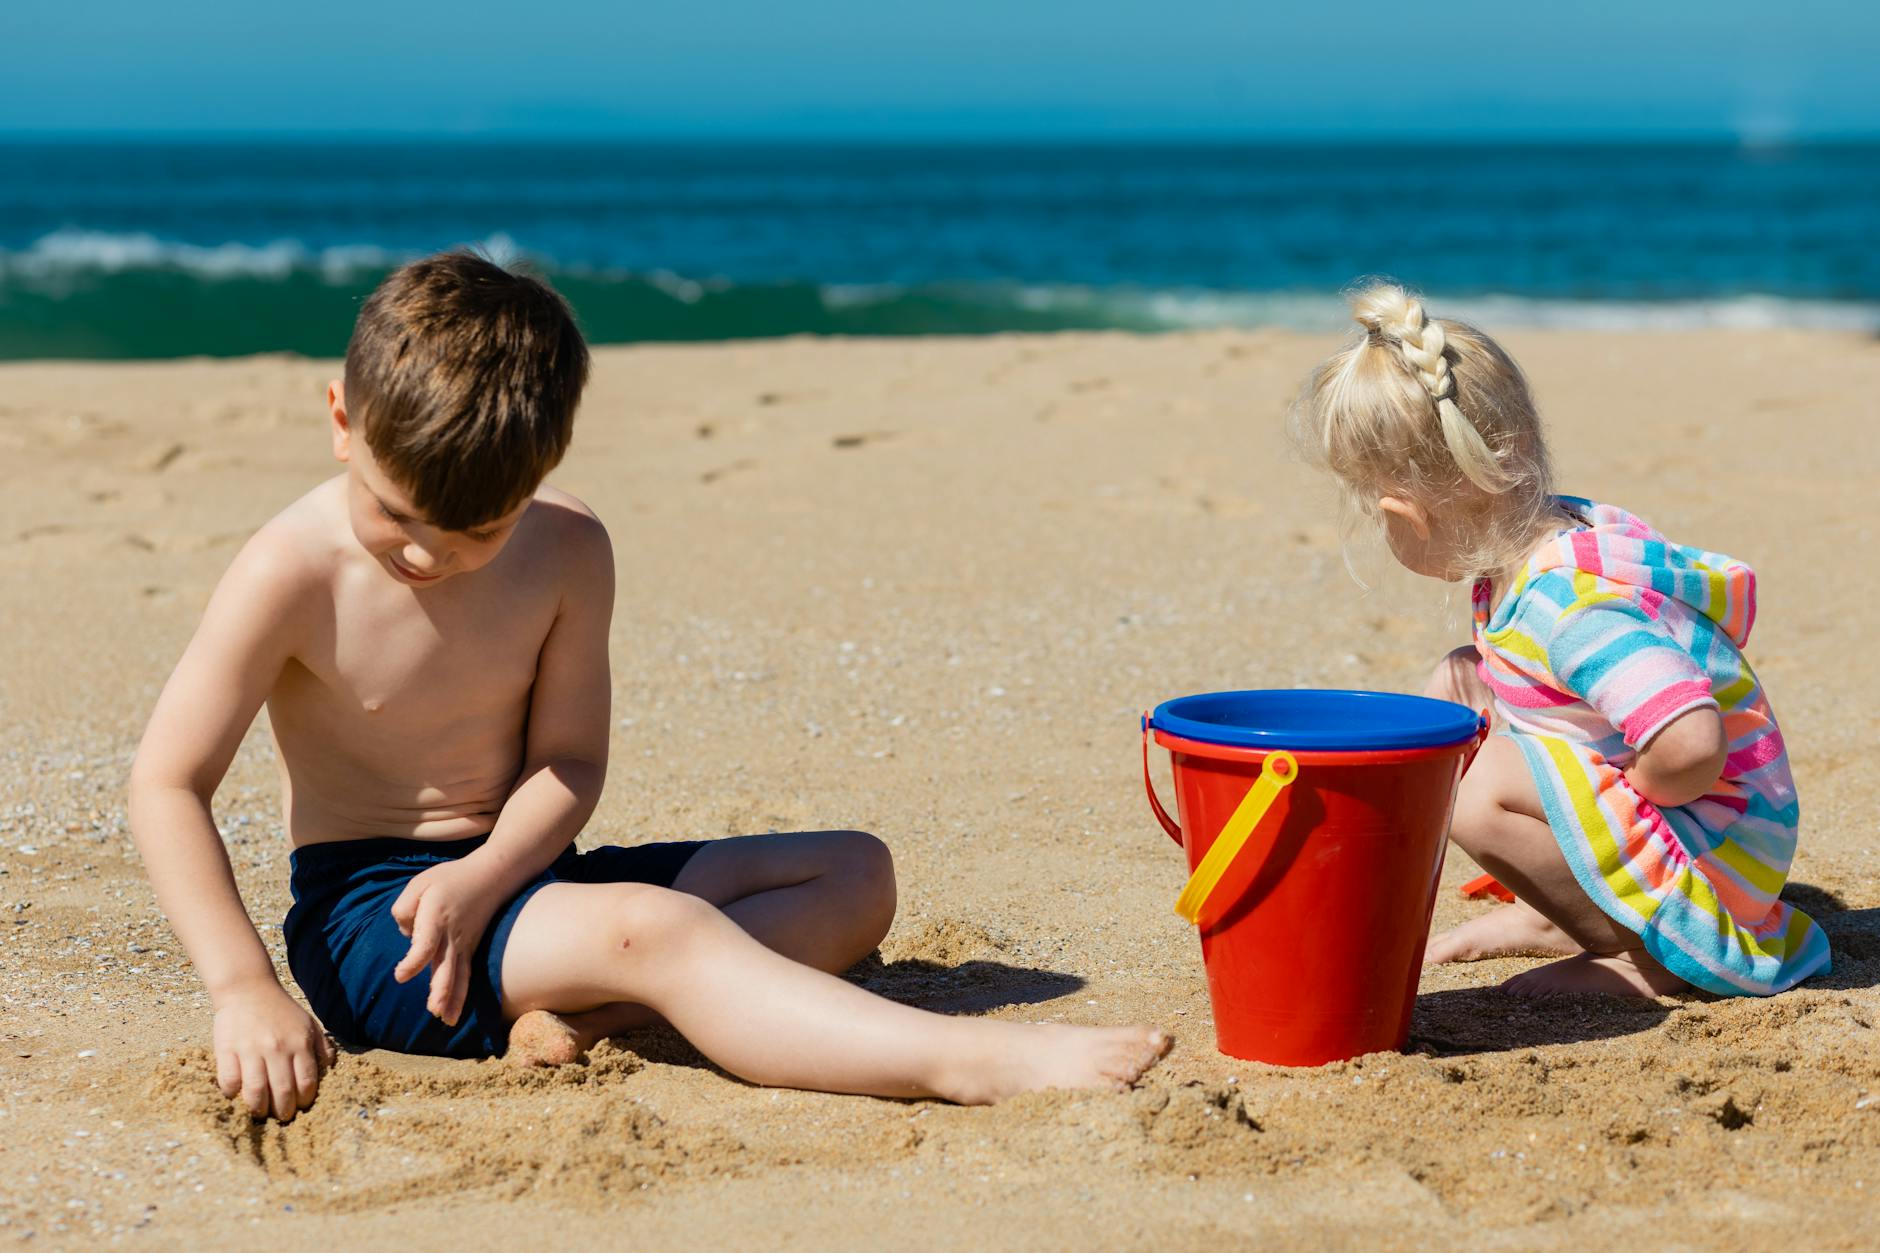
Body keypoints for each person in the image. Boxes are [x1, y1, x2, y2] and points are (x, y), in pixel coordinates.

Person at [128, 251, 1169, 1123]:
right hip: (386, 928)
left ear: (537, 477)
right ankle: (957, 1061)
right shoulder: (290, 567)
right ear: (342, 419)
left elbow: (569, 760)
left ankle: (587, 1014)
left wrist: (493, 870)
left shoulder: (567, 548)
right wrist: (243, 985)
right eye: (397, 515)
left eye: (475, 533)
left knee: (855, 875)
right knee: (662, 932)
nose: (425, 558)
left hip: (526, 873)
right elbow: (168, 781)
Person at [1287, 280, 1830, 999]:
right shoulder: (1547, 537)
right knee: (1463, 683)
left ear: (1406, 513)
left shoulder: (1569, 607)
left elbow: (1693, 743)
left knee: (1474, 789)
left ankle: (1649, 949)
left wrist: (1627, 809)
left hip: (1721, 855)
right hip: (1710, 814)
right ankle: (1563, 910)